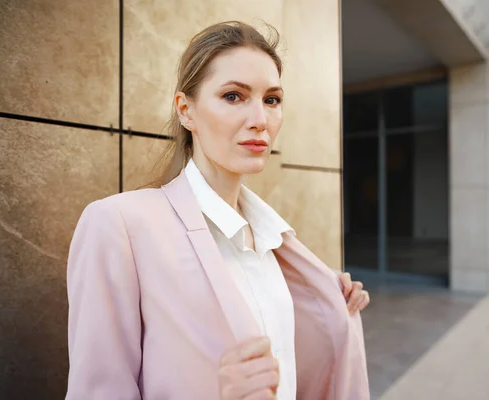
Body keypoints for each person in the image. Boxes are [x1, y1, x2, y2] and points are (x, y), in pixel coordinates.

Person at [66, 21, 370, 400]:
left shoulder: (273, 241)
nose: (260, 119)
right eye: (233, 96)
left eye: (271, 100)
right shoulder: (119, 225)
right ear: (186, 110)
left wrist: (330, 302)